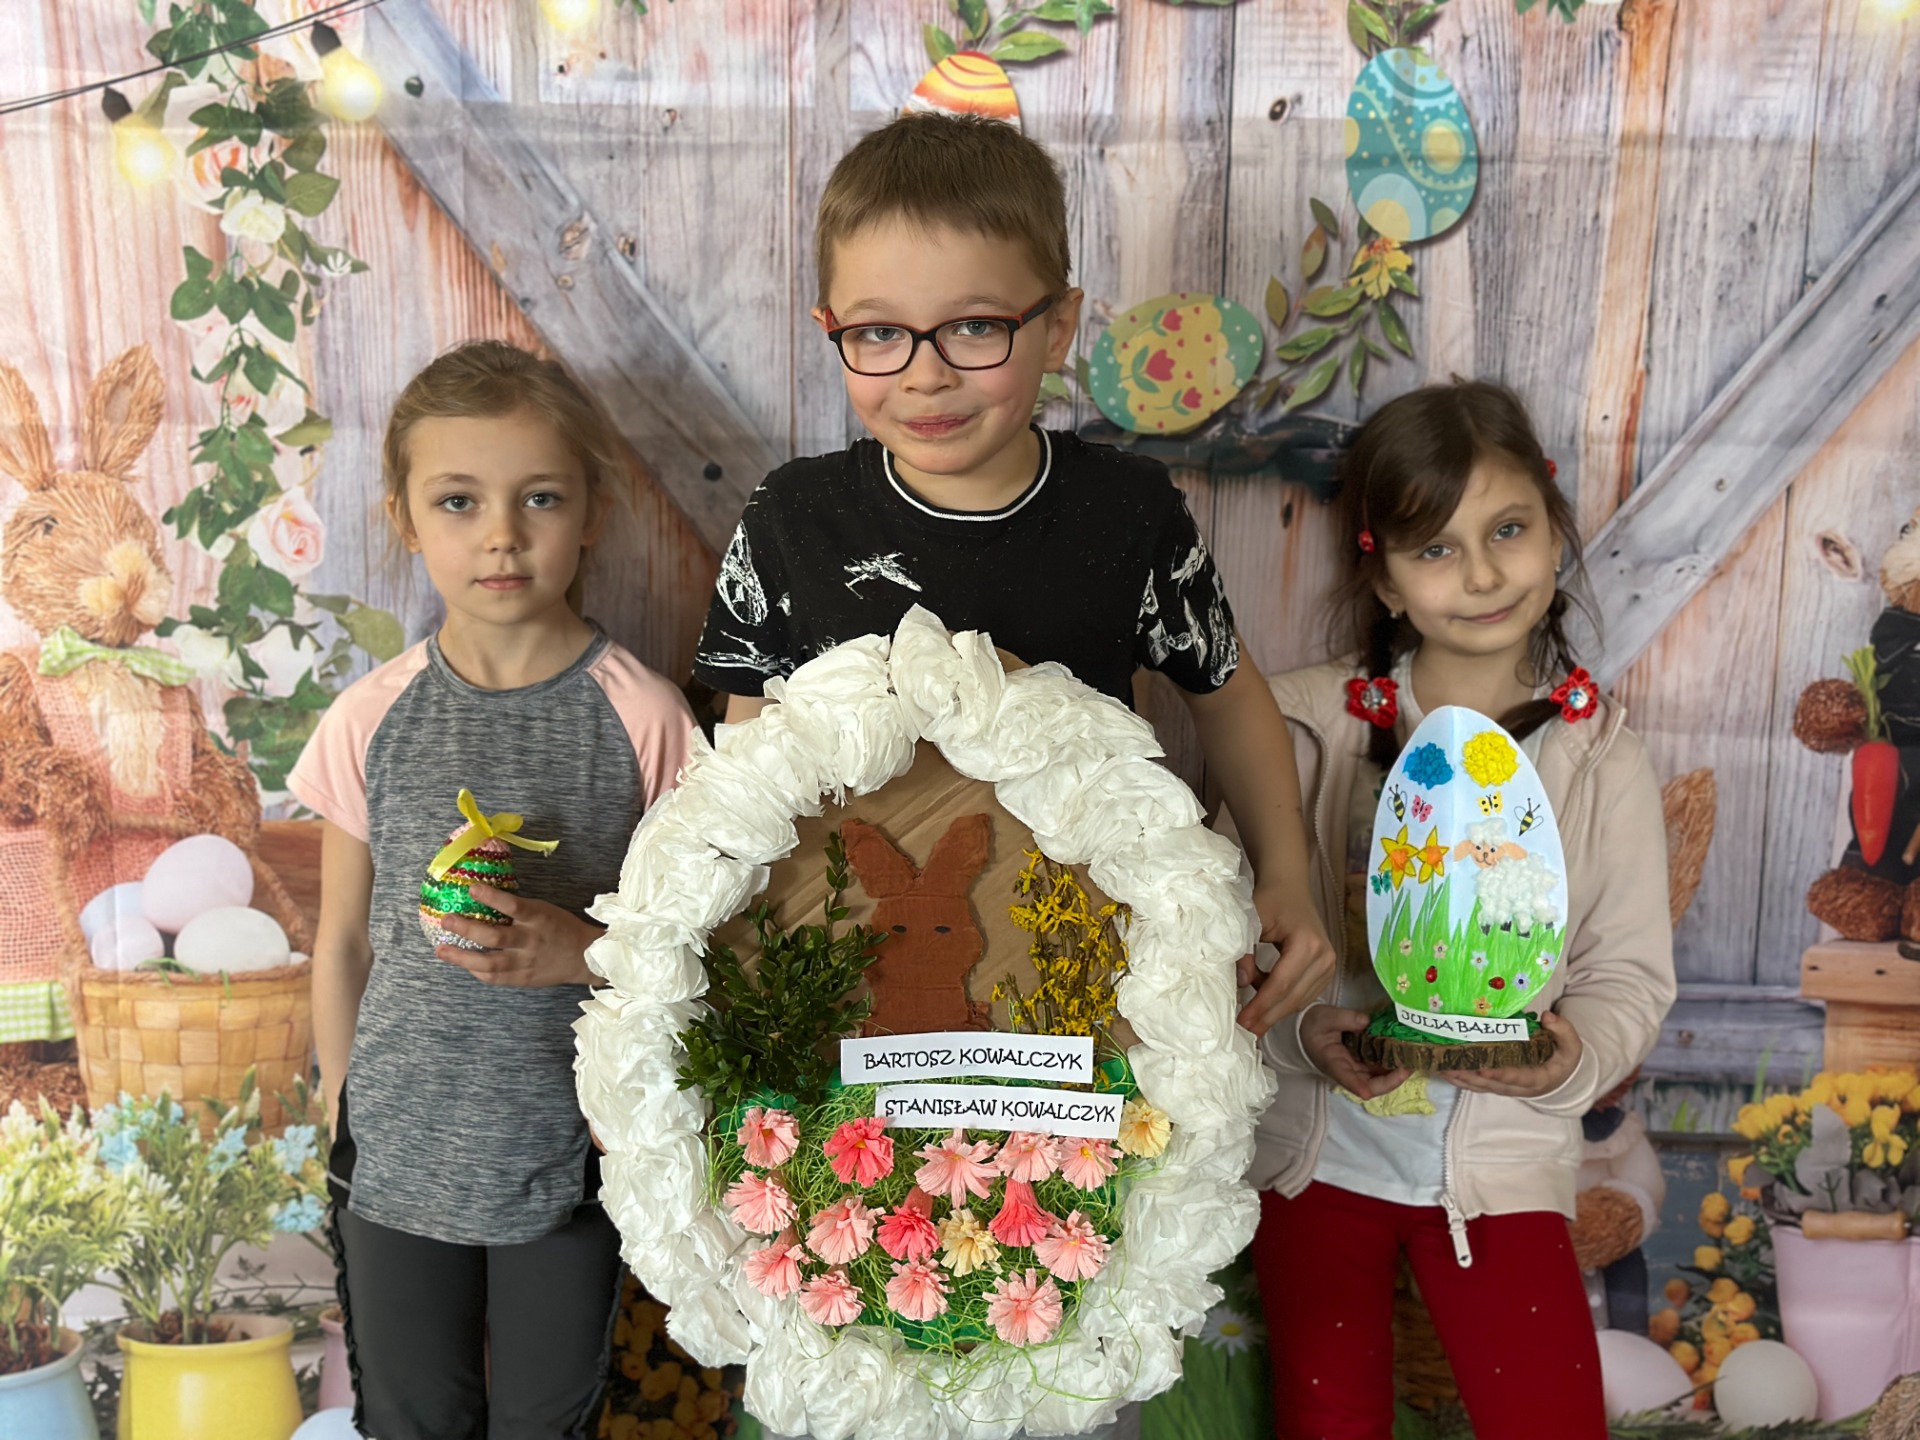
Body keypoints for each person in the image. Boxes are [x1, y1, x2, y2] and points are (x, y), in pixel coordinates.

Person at [690, 111, 1332, 1027]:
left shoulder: (1129, 512)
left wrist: (1288, 876)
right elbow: (746, 758)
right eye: (878, 333)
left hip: (1082, 976)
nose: (925, 375)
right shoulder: (791, 518)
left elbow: (1225, 693)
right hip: (849, 977)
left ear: (1057, 326)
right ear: (830, 327)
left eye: (974, 326)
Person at [1244, 381, 1676, 1440]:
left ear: (1555, 530)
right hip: (1316, 1163)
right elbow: (1214, 947)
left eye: (1508, 531)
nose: (1482, 574)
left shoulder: (1599, 757)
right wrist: (1301, 1034)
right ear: (1383, 577)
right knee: (1327, 1423)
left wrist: (1564, 1060)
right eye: (1436, 548)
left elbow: (1627, 974)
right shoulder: (1295, 730)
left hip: (1502, 1170)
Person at [291, 341, 695, 1439]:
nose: (502, 534)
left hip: (569, 1150)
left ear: (592, 513)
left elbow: (696, 947)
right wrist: (342, 1104)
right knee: (410, 1415)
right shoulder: (371, 717)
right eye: (459, 501)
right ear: (405, 519)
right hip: (396, 1146)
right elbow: (344, 942)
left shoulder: (646, 718)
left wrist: (581, 953)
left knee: (544, 1421)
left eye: (540, 498)